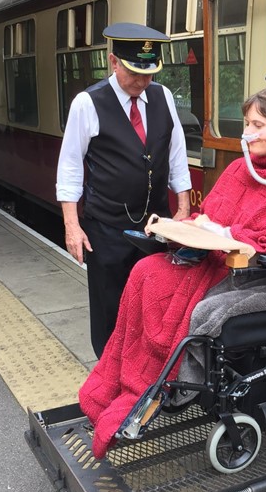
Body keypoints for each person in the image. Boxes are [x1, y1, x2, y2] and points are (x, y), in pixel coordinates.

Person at [79, 86, 266, 458]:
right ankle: (129, 380)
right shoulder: (241, 168)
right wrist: (190, 225)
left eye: (258, 125)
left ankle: (164, 384)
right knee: (145, 270)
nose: (248, 133)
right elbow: (216, 212)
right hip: (211, 257)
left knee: (179, 298)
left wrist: (222, 233)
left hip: (251, 272)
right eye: (247, 124)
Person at [56, 23, 192, 358]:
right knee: (110, 308)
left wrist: (184, 209)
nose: (143, 81)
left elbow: (176, 153)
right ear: (113, 61)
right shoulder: (87, 103)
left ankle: (147, 375)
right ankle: (108, 376)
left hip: (155, 226)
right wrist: (72, 226)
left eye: (149, 73)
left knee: (154, 304)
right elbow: (70, 167)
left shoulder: (162, 98)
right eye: (135, 72)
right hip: (107, 229)